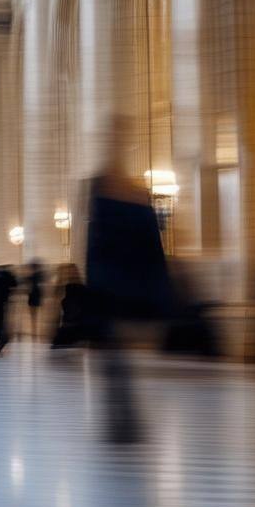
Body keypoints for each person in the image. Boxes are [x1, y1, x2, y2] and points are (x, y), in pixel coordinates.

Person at [85, 117, 172, 443]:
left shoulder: (122, 190)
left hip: (122, 285)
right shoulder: (117, 190)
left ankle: (124, 416)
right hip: (116, 287)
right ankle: (123, 416)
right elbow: (96, 245)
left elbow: (149, 246)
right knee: (117, 356)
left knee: (118, 356)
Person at [26, 259, 45, 338]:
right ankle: (35, 330)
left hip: (33, 296)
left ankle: (34, 330)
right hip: (36, 296)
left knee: (33, 315)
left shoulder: (32, 276)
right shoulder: (39, 275)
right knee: (35, 314)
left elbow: (29, 287)